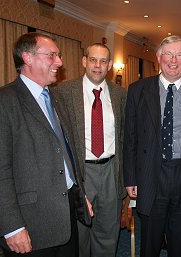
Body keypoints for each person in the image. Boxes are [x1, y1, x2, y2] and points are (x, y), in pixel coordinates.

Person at [0, 32, 92, 257]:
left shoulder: (57, 99)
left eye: (58, 56)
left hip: (66, 212)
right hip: (30, 222)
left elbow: (66, 151)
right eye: (52, 56)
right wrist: (12, 227)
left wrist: (79, 195)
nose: (59, 62)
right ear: (28, 58)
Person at [124, 35, 181, 257]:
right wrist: (131, 177)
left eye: (179, 55)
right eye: (169, 54)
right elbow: (130, 137)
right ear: (158, 57)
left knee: (180, 245)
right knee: (150, 245)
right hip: (151, 175)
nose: (174, 60)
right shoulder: (138, 90)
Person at [53, 43, 127, 257]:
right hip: (80, 172)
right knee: (80, 234)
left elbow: (124, 136)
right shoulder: (64, 92)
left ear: (110, 65)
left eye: (103, 61)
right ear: (84, 61)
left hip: (111, 171)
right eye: (93, 60)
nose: (97, 65)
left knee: (108, 233)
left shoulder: (120, 95)